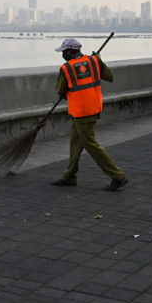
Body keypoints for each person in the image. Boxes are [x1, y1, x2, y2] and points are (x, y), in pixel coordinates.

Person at [50, 38, 128, 191]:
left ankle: (118, 176)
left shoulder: (67, 68)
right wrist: (99, 61)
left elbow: (60, 89)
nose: (63, 55)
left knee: (90, 144)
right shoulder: (93, 61)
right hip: (92, 108)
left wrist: (65, 92)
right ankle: (69, 177)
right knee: (75, 143)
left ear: (71, 51)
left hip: (81, 111)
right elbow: (109, 76)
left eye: (64, 52)